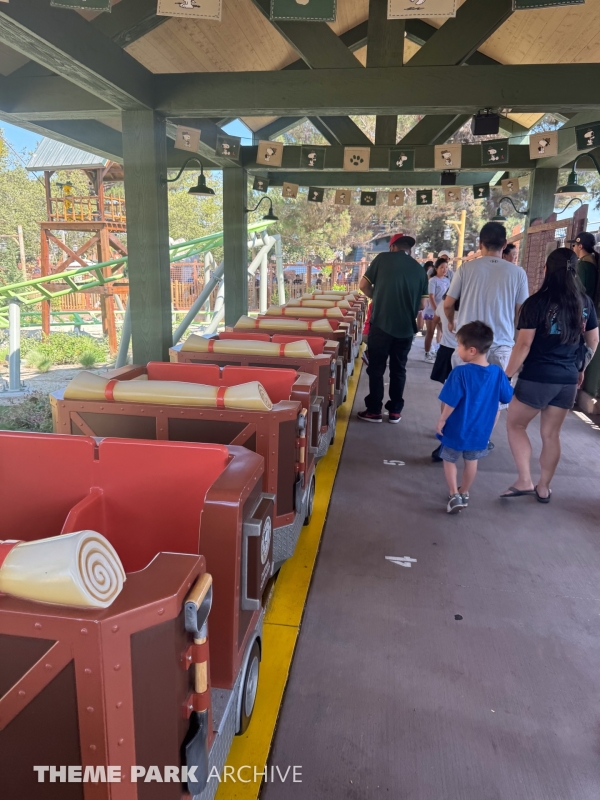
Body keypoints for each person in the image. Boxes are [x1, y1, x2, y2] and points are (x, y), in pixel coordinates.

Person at [501, 248, 598, 502]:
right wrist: (581, 367)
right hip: (566, 380)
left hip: (537, 377)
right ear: (575, 272)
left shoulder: (536, 302)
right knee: (551, 434)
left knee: (516, 424)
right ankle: (543, 487)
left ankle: (524, 479)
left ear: (546, 270)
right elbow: (593, 340)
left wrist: (506, 374)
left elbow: (523, 345)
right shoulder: (585, 303)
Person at [436, 321, 513, 514]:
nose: (457, 349)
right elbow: (507, 397)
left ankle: (454, 494)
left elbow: (451, 402)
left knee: (449, 459)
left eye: (459, 345)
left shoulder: (460, 372)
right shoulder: (497, 372)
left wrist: (442, 419)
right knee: (472, 462)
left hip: (456, 428)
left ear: (471, 350)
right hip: (481, 430)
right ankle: (465, 492)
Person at [444, 220, 529, 380]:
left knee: (462, 398)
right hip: (501, 347)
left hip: (468, 346)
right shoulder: (518, 273)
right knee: (493, 401)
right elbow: (521, 314)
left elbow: (448, 304)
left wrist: (450, 321)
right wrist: (517, 344)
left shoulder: (465, 269)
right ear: (504, 244)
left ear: (480, 243)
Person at [357, 233, 428, 423]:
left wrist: (378, 296)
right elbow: (422, 305)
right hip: (406, 329)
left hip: (381, 324)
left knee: (376, 369)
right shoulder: (420, 270)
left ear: (391, 247)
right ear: (409, 249)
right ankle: (395, 411)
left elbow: (363, 285)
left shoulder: (382, 259)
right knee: (399, 369)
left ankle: (374, 410)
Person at [569, 232, 600, 403]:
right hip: (590, 316)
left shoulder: (583, 266)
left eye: (575, 244)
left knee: (575, 351)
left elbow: (578, 292)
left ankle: (569, 396)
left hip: (580, 315)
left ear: (580, 246)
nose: (573, 247)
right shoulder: (592, 264)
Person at [430, 293, 458, 462]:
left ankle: (445, 428)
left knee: (449, 393)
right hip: (466, 352)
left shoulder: (445, 304)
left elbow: (436, 320)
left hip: (448, 349)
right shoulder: (472, 305)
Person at [424, 258, 450, 362]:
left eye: (446, 267)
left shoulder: (447, 280)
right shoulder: (433, 280)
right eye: (442, 267)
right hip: (432, 311)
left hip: (443, 311)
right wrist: (436, 310)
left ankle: (439, 352)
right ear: (436, 268)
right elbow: (431, 297)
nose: (444, 269)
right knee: (430, 332)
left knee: (444, 332)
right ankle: (427, 353)